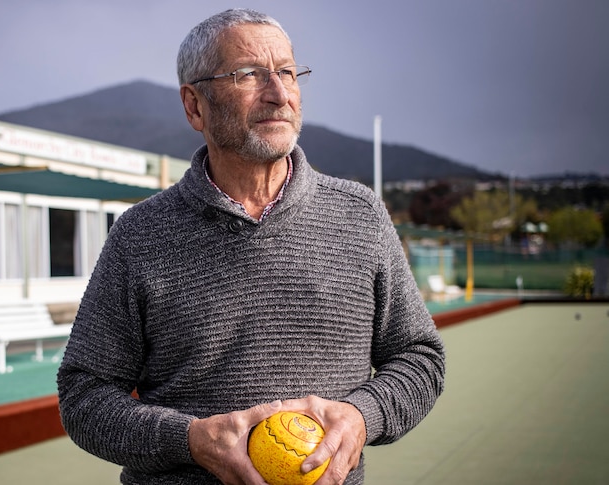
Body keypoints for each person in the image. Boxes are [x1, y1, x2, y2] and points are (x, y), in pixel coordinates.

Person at [57, 8, 445, 485]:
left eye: (287, 72)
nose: (279, 94)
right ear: (194, 105)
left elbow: (419, 358)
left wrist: (362, 415)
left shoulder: (360, 215)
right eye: (249, 75)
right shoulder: (140, 234)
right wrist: (191, 439)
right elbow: (84, 394)